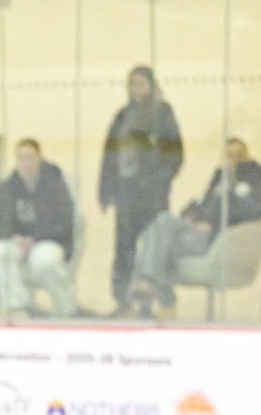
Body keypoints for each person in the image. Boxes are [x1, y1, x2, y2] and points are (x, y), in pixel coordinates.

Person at [126, 137, 261, 317]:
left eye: (239, 155)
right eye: (229, 155)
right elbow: (202, 201)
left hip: (214, 238)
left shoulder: (254, 177)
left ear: (248, 156)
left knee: (156, 235)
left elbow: (255, 209)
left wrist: (213, 222)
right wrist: (191, 215)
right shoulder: (220, 176)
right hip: (194, 231)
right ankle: (159, 297)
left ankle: (159, 296)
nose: (233, 159)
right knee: (157, 229)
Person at [98, 64, 184, 315]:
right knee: (123, 248)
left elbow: (176, 154)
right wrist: (105, 191)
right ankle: (122, 301)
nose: (137, 89)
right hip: (125, 193)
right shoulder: (123, 115)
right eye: (132, 84)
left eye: (141, 83)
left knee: (151, 249)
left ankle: (147, 304)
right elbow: (109, 155)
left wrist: (159, 180)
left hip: (152, 195)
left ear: (151, 85)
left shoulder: (163, 113)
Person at [0, 138, 77, 317]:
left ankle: (64, 310)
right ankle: (17, 306)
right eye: (21, 158)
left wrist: (35, 239)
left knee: (44, 261)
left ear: (39, 159)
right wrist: (14, 237)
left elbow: (64, 222)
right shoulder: (7, 187)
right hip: (16, 242)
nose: (26, 162)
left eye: (30, 157)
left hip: (48, 241)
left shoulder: (56, 186)